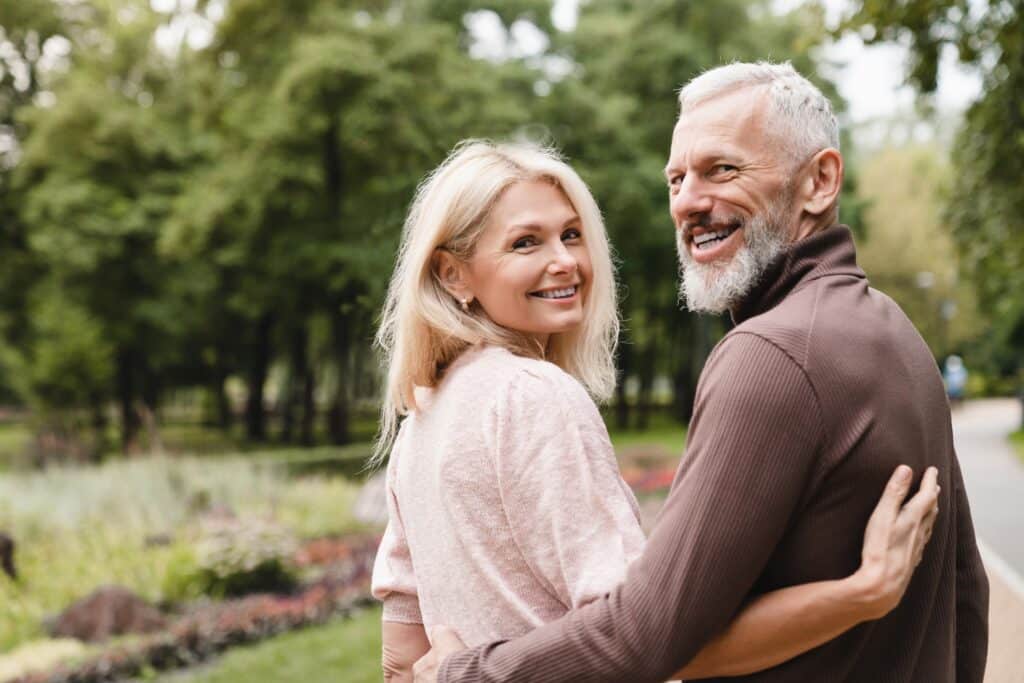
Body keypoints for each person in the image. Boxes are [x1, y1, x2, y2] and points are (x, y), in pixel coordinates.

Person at [416, 63, 990, 683]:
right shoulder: (894, 331)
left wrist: (465, 675)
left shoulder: (773, 354)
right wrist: (859, 593)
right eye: (677, 179)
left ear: (819, 181)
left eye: (723, 169)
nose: (689, 201)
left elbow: (646, 633)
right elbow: (967, 595)